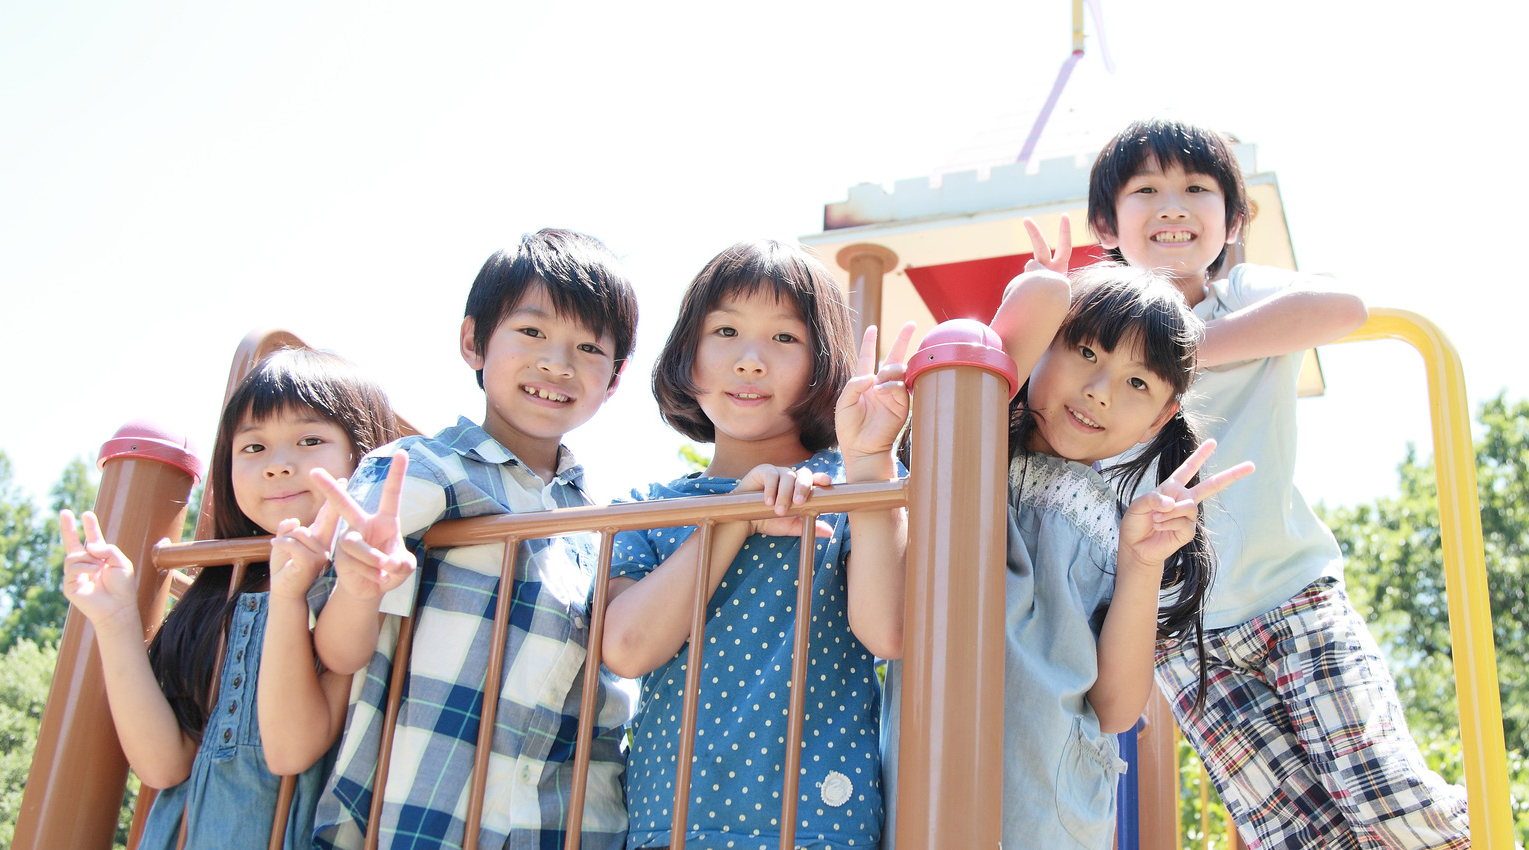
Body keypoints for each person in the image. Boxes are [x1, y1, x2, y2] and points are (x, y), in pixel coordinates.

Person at [1088, 118, 1471, 848]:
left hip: (1291, 595)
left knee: (1386, 797)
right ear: (1107, 221)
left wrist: (1185, 351)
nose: (1173, 205)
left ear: (1233, 220)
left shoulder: (1242, 296)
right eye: (1147, 190)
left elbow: (1343, 307)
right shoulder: (1095, 329)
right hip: (1183, 637)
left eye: (1196, 189)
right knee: (1295, 834)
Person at [885, 256, 1252, 850]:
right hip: (926, 795)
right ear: (1041, 349)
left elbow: (1114, 708)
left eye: (1137, 383)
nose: (1099, 392)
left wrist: (1141, 564)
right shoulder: (971, 446)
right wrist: (1046, 287)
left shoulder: (1119, 524)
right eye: (1085, 352)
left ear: (1161, 418)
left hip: (1052, 812)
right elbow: (1026, 322)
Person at [304, 228, 641, 849]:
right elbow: (337, 645)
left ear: (614, 378)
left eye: (588, 348)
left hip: (566, 827)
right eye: (532, 332)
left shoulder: (603, 523)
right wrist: (357, 582)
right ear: (473, 342)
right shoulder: (426, 470)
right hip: (420, 818)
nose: (556, 363)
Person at [603, 239, 911, 850]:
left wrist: (872, 463)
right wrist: (734, 517)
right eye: (725, 331)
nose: (750, 361)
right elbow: (627, 649)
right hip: (672, 824)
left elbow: (888, 631)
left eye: (784, 338)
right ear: (687, 354)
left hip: (821, 826)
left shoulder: (846, 487)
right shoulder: (648, 505)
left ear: (823, 360)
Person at [58, 347, 404, 850]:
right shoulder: (223, 589)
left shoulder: (351, 584)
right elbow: (164, 763)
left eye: (310, 440)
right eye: (253, 447)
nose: (279, 465)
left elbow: (288, 751)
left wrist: (289, 598)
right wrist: (114, 621)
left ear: (364, 455)